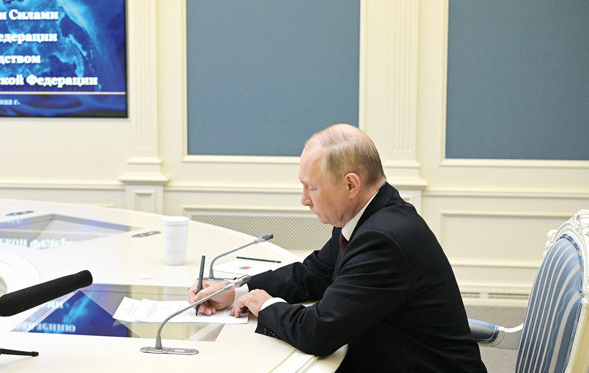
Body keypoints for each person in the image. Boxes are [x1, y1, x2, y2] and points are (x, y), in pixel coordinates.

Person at [189, 124, 486, 372]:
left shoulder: (383, 239)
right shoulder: (366, 218)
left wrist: (264, 305)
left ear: (351, 185)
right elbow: (312, 274)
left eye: (312, 187)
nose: (304, 199)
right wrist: (236, 291)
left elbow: (318, 332)